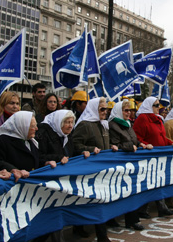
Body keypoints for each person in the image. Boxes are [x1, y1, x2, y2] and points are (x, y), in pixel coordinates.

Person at [72, 97, 115, 242]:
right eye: (102, 109)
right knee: (96, 201)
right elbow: (75, 144)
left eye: (106, 109)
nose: (105, 112)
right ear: (93, 109)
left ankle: (83, 229)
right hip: (89, 170)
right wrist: (90, 149)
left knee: (98, 201)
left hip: (102, 169)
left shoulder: (103, 125)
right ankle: (101, 235)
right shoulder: (85, 125)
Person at [108, 100, 153, 230]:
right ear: (118, 111)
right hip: (119, 164)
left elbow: (133, 139)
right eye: (125, 110)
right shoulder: (113, 125)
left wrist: (140, 144)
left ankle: (132, 220)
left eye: (130, 110)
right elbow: (115, 144)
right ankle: (115, 219)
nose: (129, 113)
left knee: (131, 191)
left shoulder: (127, 124)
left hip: (130, 163)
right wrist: (130, 146)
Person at [35, 109, 77, 242]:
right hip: (49, 183)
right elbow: (39, 156)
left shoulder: (67, 136)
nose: (70, 126)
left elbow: (74, 152)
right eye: (67, 122)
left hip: (62, 182)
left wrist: (86, 151)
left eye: (72, 122)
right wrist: (58, 158)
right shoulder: (44, 135)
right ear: (59, 123)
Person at [132, 97, 173, 218]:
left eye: (159, 105)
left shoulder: (158, 119)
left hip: (159, 157)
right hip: (148, 157)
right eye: (156, 105)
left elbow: (161, 137)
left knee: (157, 182)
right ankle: (144, 209)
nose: (159, 108)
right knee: (149, 183)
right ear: (149, 106)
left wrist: (170, 143)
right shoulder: (142, 119)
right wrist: (145, 145)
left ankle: (160, 208)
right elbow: (136, 137)